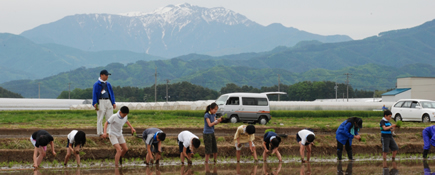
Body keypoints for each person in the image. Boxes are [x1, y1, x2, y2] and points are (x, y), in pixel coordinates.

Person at [93, 69, 116, 138]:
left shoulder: (108, 84)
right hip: (101, 101)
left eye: (107, 75)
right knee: (100, 118)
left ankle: (109, 132)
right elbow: (94, 94)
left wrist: (113, 102)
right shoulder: (97, 84)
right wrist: (95, 103)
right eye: (106, 75)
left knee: (110, 117)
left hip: (108, 101)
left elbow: (111, 93)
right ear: (101, 75)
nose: (107, 77)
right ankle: (100, 133)